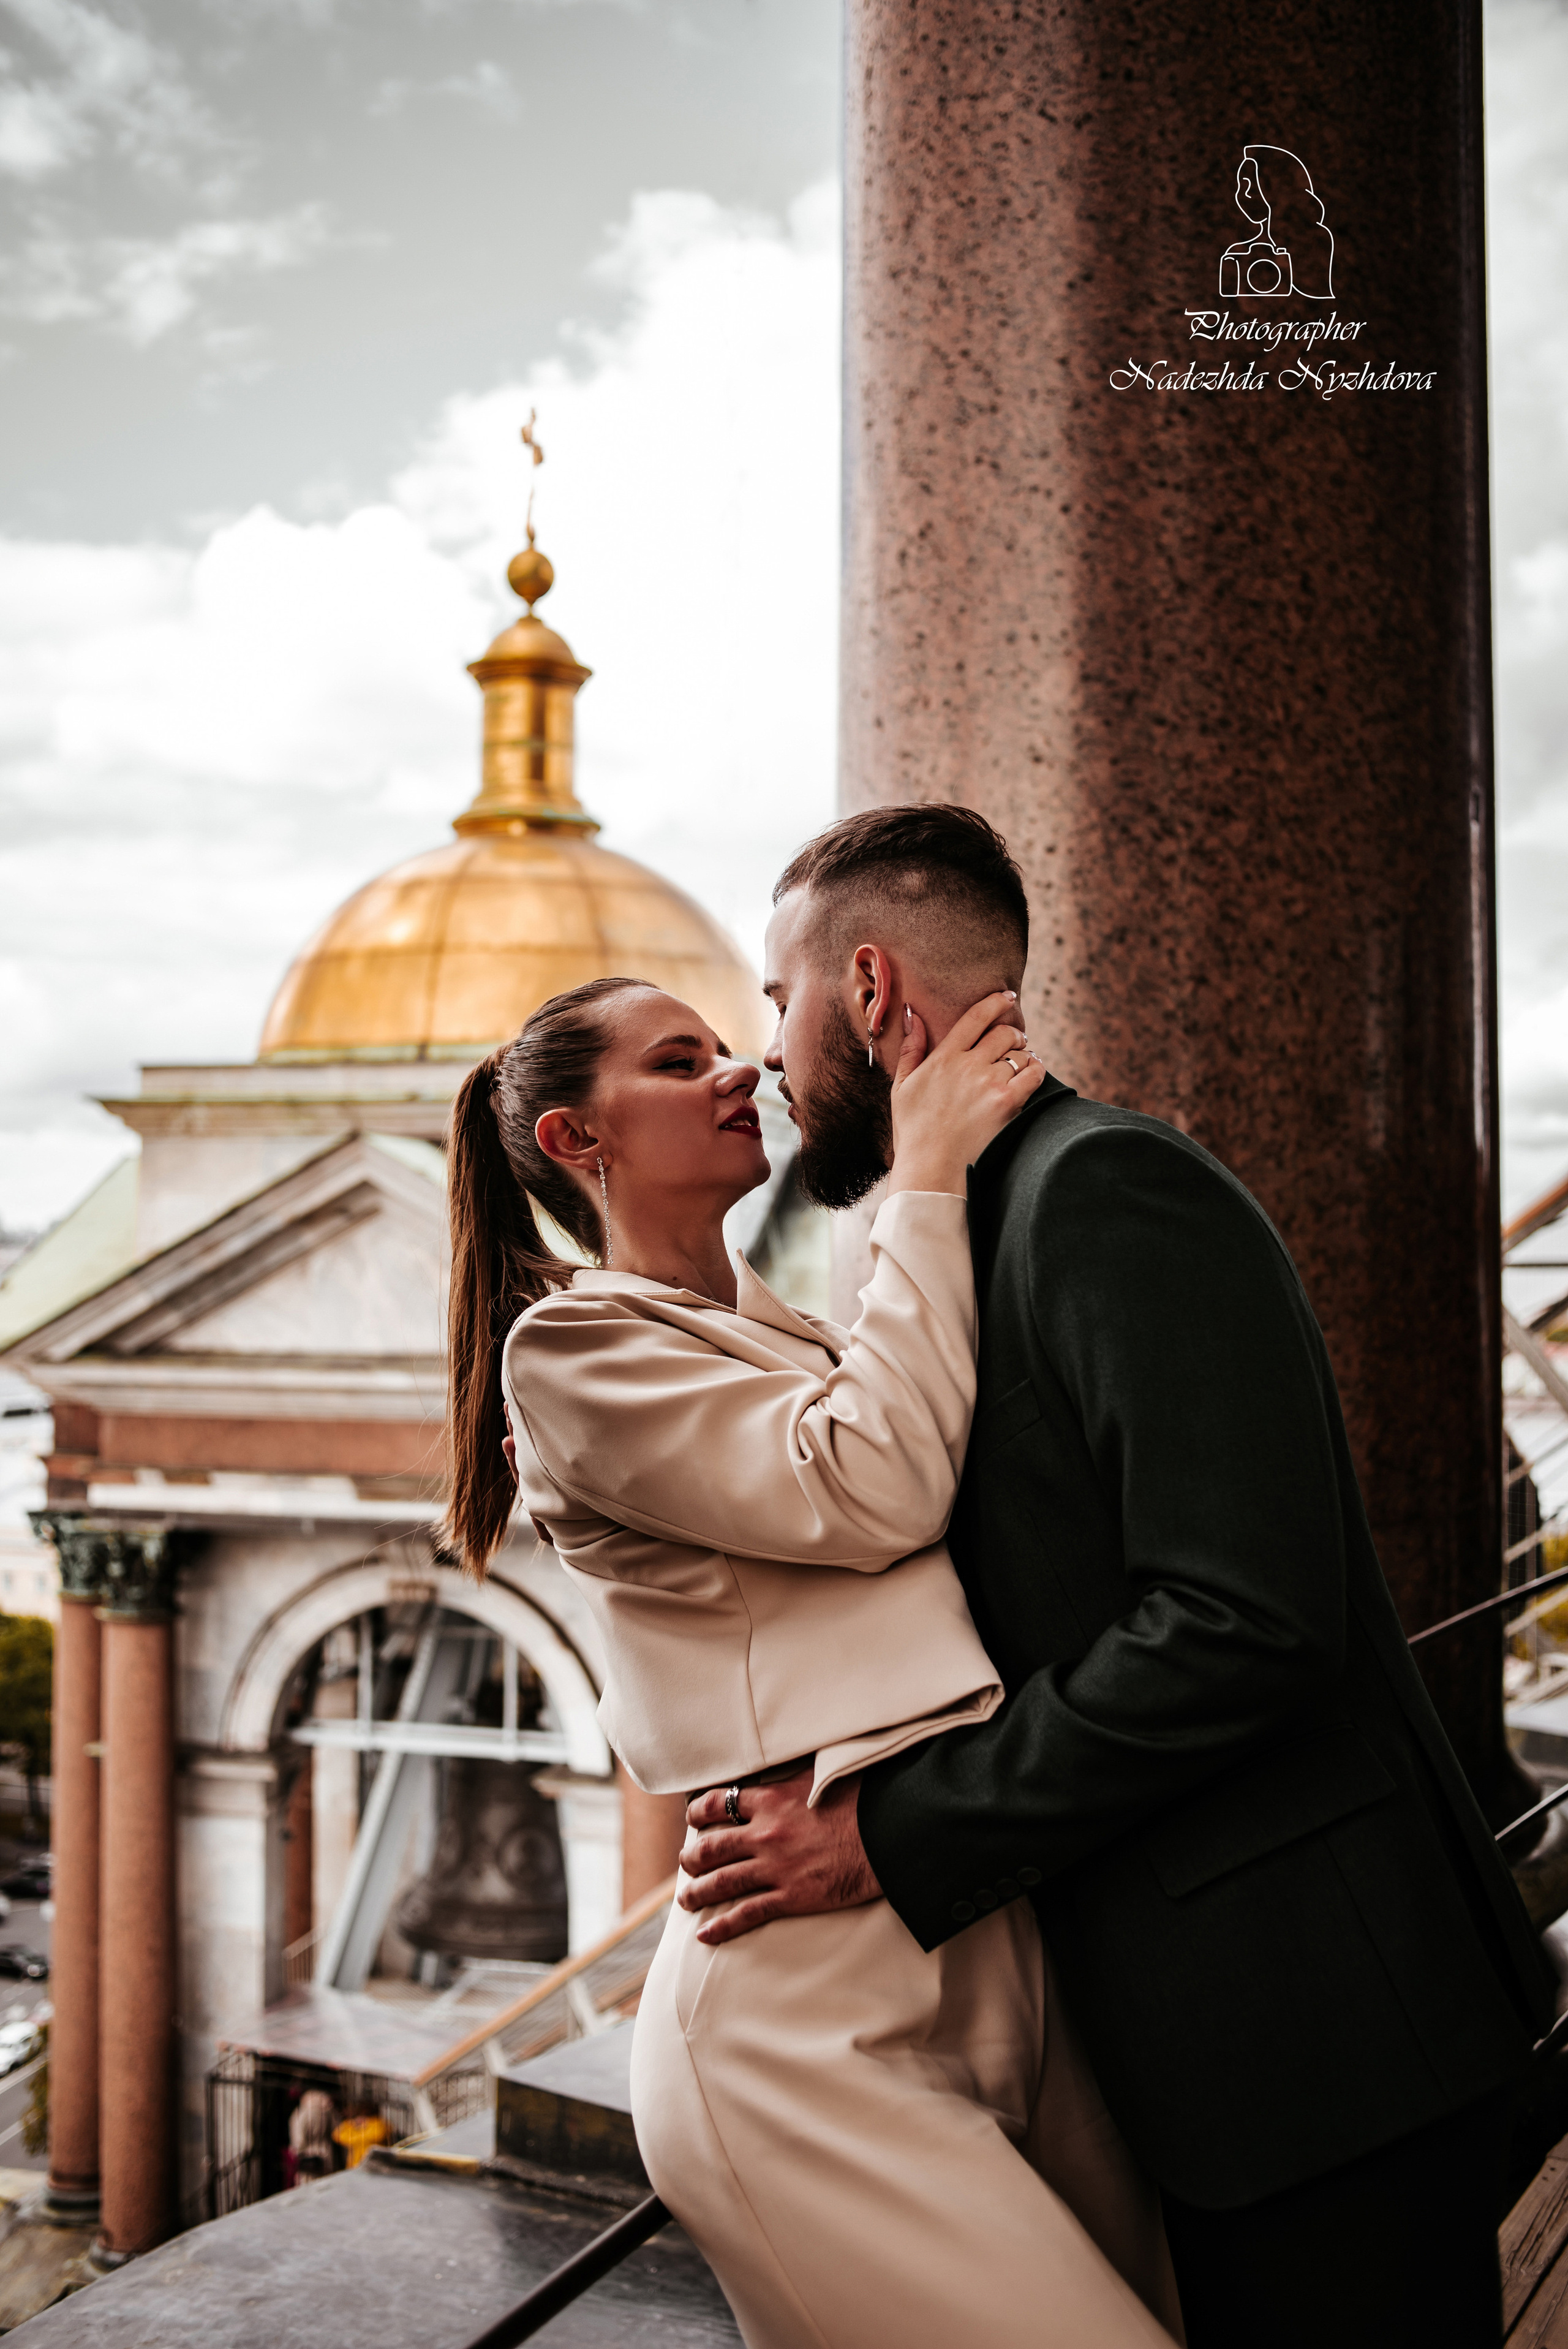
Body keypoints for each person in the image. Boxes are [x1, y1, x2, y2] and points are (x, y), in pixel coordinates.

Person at [678, 803, 1558, 2349]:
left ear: (870, 991)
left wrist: (887, 1835)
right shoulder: (967, 1221)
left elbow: (1241, 1620)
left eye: (776, 998)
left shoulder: (1102, 1189)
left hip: (1321, 2043)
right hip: (1212, 2048)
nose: (764, 1052)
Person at [443, 971, 1183, 2349]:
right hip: (798, 2008)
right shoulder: (567, 1346)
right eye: (680, 1061)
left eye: (729, 1046)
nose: (738, 1071)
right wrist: (927, 1170)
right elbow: (878, 1487)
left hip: (975, 1915)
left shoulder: (781, 1332)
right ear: (574, 1138)